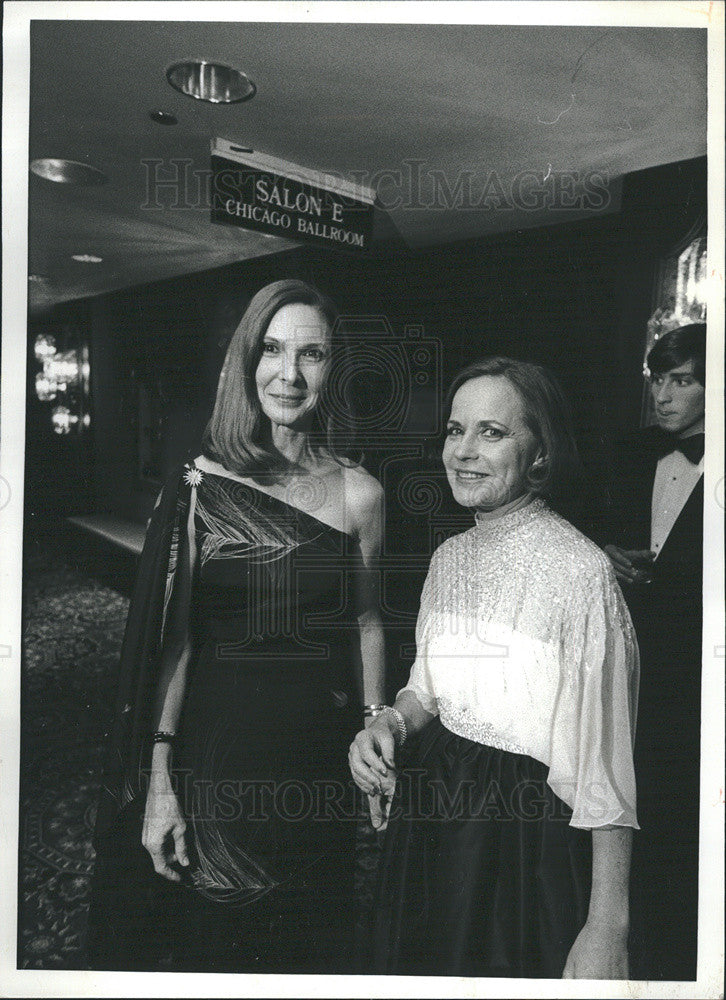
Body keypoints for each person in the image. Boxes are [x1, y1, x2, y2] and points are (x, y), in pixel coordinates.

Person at [87, 279, 385, 972]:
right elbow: (175, 642)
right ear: (246, 361)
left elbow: (368, 620)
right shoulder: (200, 485)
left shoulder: (360, 493)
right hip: (217, 761)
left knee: (311, 948)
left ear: (332, 368)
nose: (290, 372)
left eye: (312, 354)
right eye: (273, 350)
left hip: (314, 763)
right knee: (218, 950)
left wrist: (375, 718)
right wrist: (160, 781)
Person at [349, 357, 639, 979]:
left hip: (521, 847)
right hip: (429, 832)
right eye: (455, 431)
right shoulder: (448, 557)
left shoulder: (581, 572)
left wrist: (606, 928)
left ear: (539, 453)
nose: (464, 451)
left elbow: (606, 770)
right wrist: (387, 725)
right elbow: (429, 691)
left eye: (492, 432)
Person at [603, 323, 705, 981]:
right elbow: (595, 531)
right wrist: (608, 554)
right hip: (636, 666)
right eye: (658, 381)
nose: (663, 396)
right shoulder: (638, 454)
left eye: (681, 380)